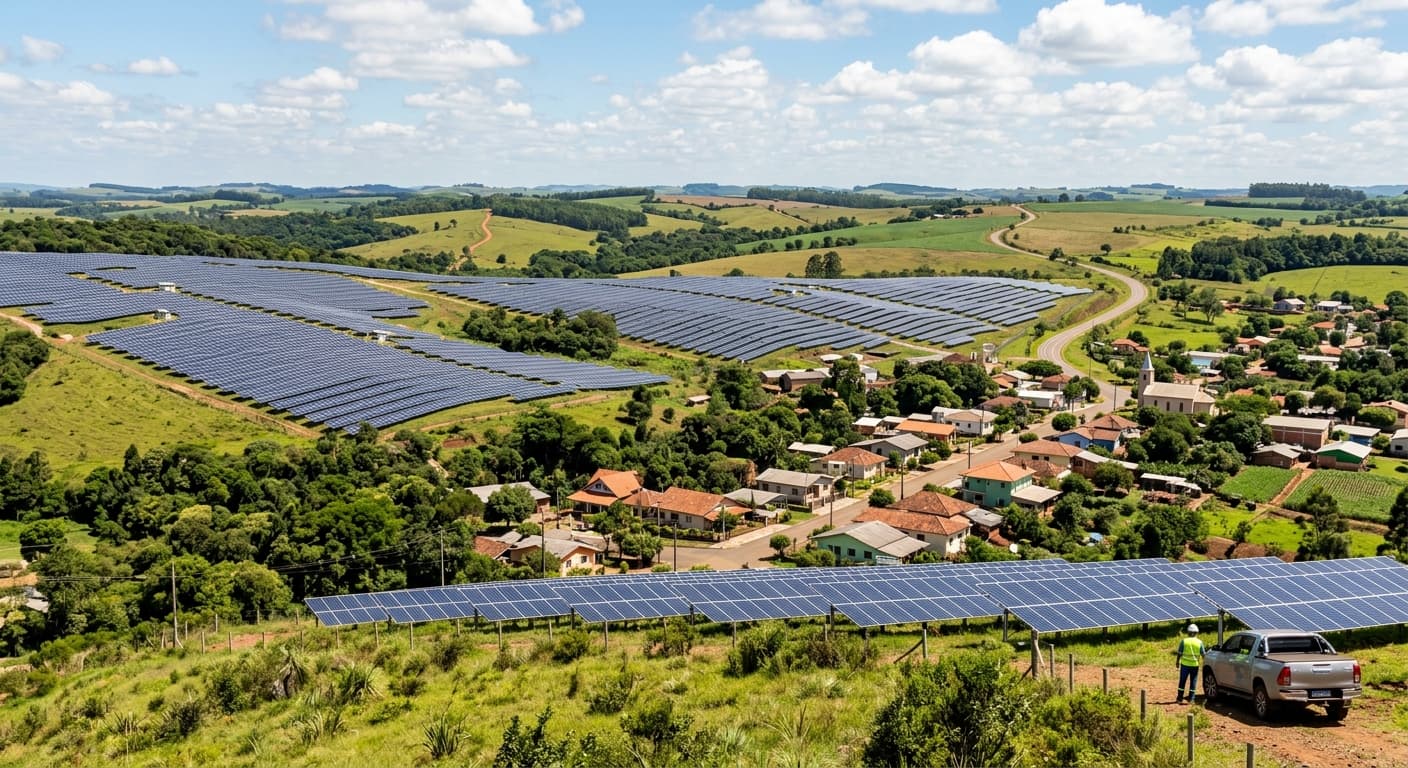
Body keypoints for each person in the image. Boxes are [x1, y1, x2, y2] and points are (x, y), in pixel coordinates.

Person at [1174, 623, 1206, 704]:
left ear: (1188, 632)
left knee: (1182, 681)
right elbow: (1203, 655)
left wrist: (1177, 661)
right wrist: (1204, 664)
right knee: (1193, 682)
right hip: (1194, 665)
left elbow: (1179, 653)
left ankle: (1179, 698)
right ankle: (1191, 699)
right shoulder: (1199, 642)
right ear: (1196, 632)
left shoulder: (1184, 641)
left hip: (1184, 665)